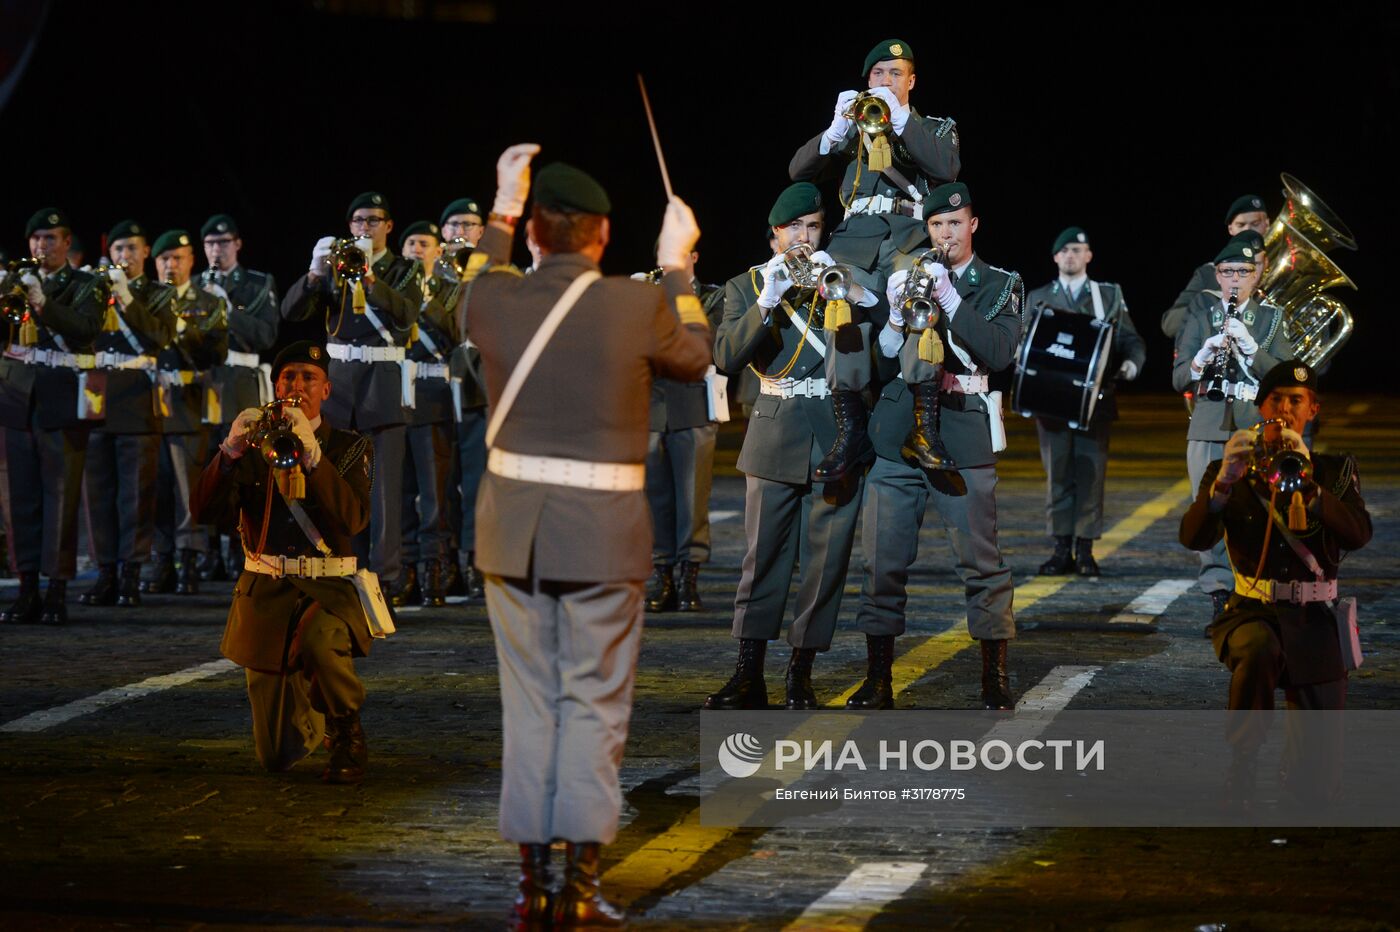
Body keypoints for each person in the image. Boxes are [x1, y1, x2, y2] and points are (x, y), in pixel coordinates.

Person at [460, 146, 711, 929]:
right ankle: (581, 884)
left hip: (513, 537)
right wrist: (676, 267)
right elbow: (697, 356)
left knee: (531, 708)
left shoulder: (494, 299)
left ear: (533, 234)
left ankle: (534, 885)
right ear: (603, 238)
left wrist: (501, 205)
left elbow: (464, 297)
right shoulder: (636, 306)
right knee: (594, 708)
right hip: (603, 538)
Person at [855, 182, 1023, 710]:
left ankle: (993, 677)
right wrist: (893, 318)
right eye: (935, 225)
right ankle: (878, 678)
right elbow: (882, 363)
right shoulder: (907, 274)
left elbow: (998, 352)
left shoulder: (1000, 284)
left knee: (981, 560)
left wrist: (950, 300)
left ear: (973, 224)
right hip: (899, 430)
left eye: (954, 223)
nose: (945, 234)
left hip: (962, 427)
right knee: (882, 561)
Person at [703, 182, 865, 712]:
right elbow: (727, 356)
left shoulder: (841, 279)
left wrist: (850, 295)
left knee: (825, 564)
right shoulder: (746, 286)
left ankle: (801, 674)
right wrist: (767, 301)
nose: (803, 237)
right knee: (763, 559)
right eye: (793, 228)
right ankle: (748, 674)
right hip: (774, 429)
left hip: (834, 431)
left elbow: (869, 351)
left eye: (813, 227)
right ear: (773, 235)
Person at [1179, 360, 1370, 804]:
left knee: (1315, 787)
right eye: (1275, 399)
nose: (1284, 409)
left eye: (1296, 401)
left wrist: (1312, 488)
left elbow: (1359, 535)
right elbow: (1193, 537)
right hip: (1252, 612)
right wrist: (1222, 487)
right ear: (1259, 406)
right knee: (1259, 649)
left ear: (1313, 410)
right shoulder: (1234, 467)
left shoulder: (1334, 470)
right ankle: (1242, 763)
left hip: (1316, 620)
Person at [191, 341, 378, 783]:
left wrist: (314, 457)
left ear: (327, 390)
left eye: (308, 378)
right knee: (277, 756)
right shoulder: (257, 442)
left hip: (329, 589)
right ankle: (314, 698)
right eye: (287, 378)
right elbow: (203, 513)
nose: (296, 386)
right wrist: (230, 452)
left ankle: (346, 726)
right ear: (275, 385)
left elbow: (353, 518)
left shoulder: (349, 446)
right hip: (268, 590)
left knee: (318, 639)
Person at [790, 38, 960, 481]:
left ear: (912, 82)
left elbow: (946, 170)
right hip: (855, 243)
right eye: (879, 74)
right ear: (868, 80)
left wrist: (900, 120)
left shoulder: (936, 127)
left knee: (920, 296)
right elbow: (798, 173)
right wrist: (833, 132)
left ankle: (925, 429)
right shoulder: (853, 130)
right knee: (838, 302)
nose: (886, 81)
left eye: (896, 74)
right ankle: (850, 433)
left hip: (908, 239)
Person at [281, 192, 422, 601]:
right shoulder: (334, 271)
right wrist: (313, 272)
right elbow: (292, 313)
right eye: (359, 220)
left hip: (383, 383)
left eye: (374, 220)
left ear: (389, 226)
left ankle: (387, 575)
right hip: (340, 385)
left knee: (384, 489)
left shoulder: (403, 269)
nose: (366, 227)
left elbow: (407, 313)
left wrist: (371, 281)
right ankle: (341, 564)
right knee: (334, 482)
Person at [1172, 233, 1294, 618]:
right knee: (1210, 508)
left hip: (1254, 428)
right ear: (1217, 275)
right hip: (1207, 426)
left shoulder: (1272, 318)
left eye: (1244, 270)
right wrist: (1200, 358)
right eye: (1228, 271)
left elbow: (1286, 377)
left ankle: (1253, 588)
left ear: (1256, 274)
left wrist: (1253, 351)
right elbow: (1178, 378)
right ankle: (1219, 592)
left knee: (1257, 511)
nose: (1236, 278)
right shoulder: (1199, 312)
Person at [1025, 227, 1146, 576]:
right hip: (1051, 401)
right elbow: (1024, 341)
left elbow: (1131, 340)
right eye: (1065, 251)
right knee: (1058, 474)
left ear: (1089, 256)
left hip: (1095, 401)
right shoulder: (1039, 297)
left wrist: (1131, 364)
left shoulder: (1106, 296)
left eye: (1078, 250)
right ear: (1055, 258)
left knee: (1091, 475)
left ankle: (1086, 549)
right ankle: (1061, 547)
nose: (1071, 256)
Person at [0, 208, 102, 625]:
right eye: (36, 238)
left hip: (62, 396)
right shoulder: (15, 282)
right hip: (18, 395)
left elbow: (86, 327)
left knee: (60, 498)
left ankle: (57, 588)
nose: (42, 246)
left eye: (51, 238)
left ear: (66, 242)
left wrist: (43, 303)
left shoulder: (86, 284)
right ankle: (26, 587)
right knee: (19, 497)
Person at [80, 220, 176, 608]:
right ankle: (105, 571)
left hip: (137, 394)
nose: (125, 257)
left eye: (132, 249)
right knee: (98, 492)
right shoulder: (95, 289)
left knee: (136, 493)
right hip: (97, 392)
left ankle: (131, 573)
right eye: (119, 250)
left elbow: (161, 336)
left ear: (146, 252)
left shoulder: (159, 293)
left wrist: (128, 299)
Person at [143, 230, 229, 596]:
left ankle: (189, 559)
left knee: (186, 486)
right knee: (155, 486)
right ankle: (161, 556)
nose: (170, 265)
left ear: (191, 260)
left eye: (177, 258)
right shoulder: (144, 298)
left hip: (188, 397)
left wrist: (181, 327)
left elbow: (216, 352)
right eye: (164, 259)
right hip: (149, 400)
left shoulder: (208, 302)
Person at [198, 213, 280, 582]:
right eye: (211, 244)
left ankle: (238, 545)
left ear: (238, 244)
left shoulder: (259, 284)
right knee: (205, 466)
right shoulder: (194, 284)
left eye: (224, 242)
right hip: (204, 382)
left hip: (243, 380)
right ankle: (207, 549)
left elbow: (265, 336)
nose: (217, 249)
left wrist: (227, 312)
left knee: (243, 466)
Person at [642, 244, 724, 614]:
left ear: (695, 256)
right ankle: (663, 576)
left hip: (693, 404)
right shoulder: (646, 294)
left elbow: (705, 344)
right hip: (652, 406)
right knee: (655, 499)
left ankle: (689, 575)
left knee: (693, 498)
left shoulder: (712, 297)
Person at [396, 220, 458, 607]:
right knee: (399, 490)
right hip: (396, 392)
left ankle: (435, 566)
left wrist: (424, 300)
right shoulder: (386, 288)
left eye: (425, 243)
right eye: (411, 242)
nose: (417, 249)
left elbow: (457, 331)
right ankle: (404, 566)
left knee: (435, 490)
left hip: (433, 395)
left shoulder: (451, 289)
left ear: (438, 251)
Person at [439, 196, 486, 598]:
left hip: (474, 388)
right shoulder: (425, 275)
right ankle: (443, 560)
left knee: (474, 481)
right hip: (431, 389)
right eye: (454, 225)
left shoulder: (493, 275)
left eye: (469, 225)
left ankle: (474, 559)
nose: (461, 232)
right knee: (438, 483)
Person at [1161, 194, 1270, 339]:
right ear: (1231, 229)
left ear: (1267, 225)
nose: (1248, 231)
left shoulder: (1284, 274)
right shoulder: (1209, 273)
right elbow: (1170, 324)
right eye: (1241, 225)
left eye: (1255, 224)